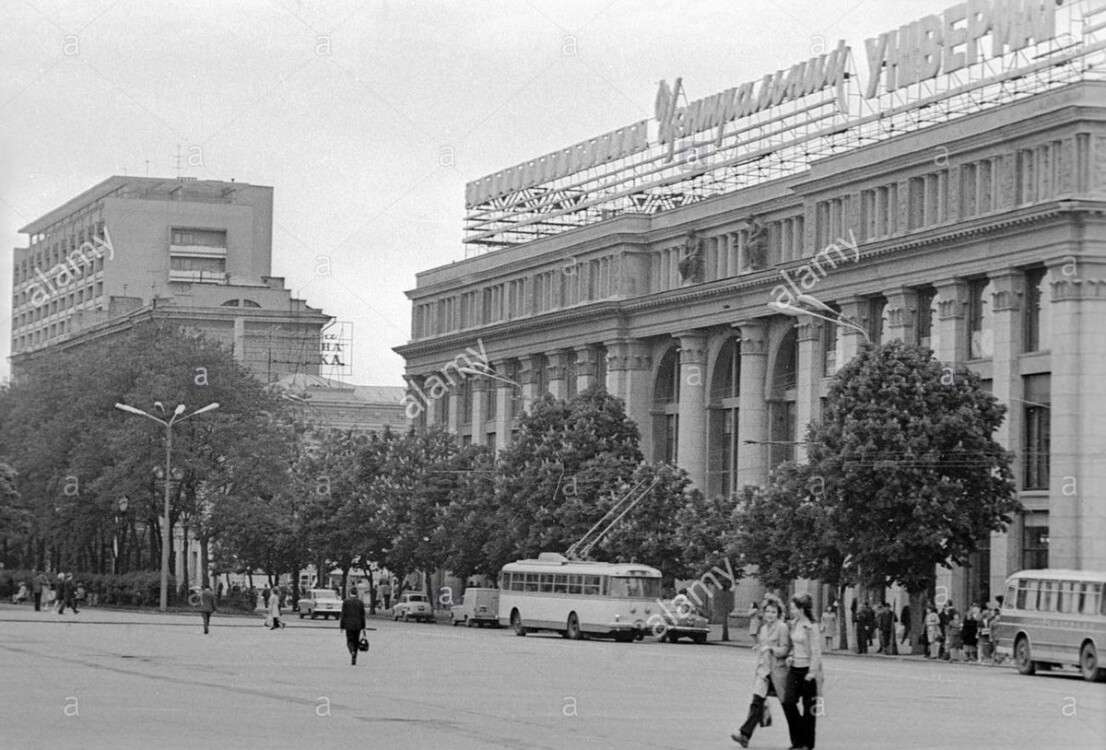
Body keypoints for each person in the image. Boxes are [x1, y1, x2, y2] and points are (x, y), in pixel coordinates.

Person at [731, 598, 790, 748]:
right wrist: (760, 649)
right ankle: (744, 734)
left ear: (778, 613)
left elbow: (785, 649)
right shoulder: (763, 629)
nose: (770, 614)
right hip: (764, 672)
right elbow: (763, 648)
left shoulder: (782, 627)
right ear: (763, 613)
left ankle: (800, 739)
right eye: (768, 611)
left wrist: (771, 649)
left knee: (789, 708)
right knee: (756, 702)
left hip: (778, 673)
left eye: (774, 612)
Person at [782, 593, 823, 750]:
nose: (791, 610)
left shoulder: (811, 626)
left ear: (801, 609)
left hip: (807, 671)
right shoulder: (794, 623)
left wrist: (812, 672)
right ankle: (798, 739)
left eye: (793, 608)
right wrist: (791, 656)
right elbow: (793, 645)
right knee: (788, 702)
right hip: (794, 669)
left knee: (809, 711)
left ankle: (806, 744)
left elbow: (816, 650)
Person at [340, 587, 367, 666]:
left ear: (350, 593)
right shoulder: (360, 602)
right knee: (356, 641)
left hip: (348, 625)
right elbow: (362, 615)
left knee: (349, 641)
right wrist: (363, 626)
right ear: (356, 593)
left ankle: (352, 651)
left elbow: (343, 615)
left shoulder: (346, 602)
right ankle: (354, 658)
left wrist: (342, 626)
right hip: (358, 625)